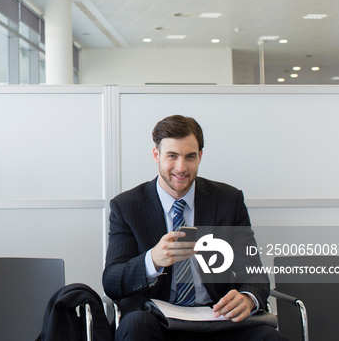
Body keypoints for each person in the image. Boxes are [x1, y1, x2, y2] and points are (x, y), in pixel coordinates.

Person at [102, 115, 287, 341]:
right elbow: (111, 281)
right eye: (172, 156)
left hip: (217, 319)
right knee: (135, 324)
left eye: (190, 157)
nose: (181, 168)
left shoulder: (229, 200)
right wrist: (153, 260)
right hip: (157, 323)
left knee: (270, 337)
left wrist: (248, 298)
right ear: (156, 155)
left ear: (200, 156)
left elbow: (254, 273)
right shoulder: (127, 206)